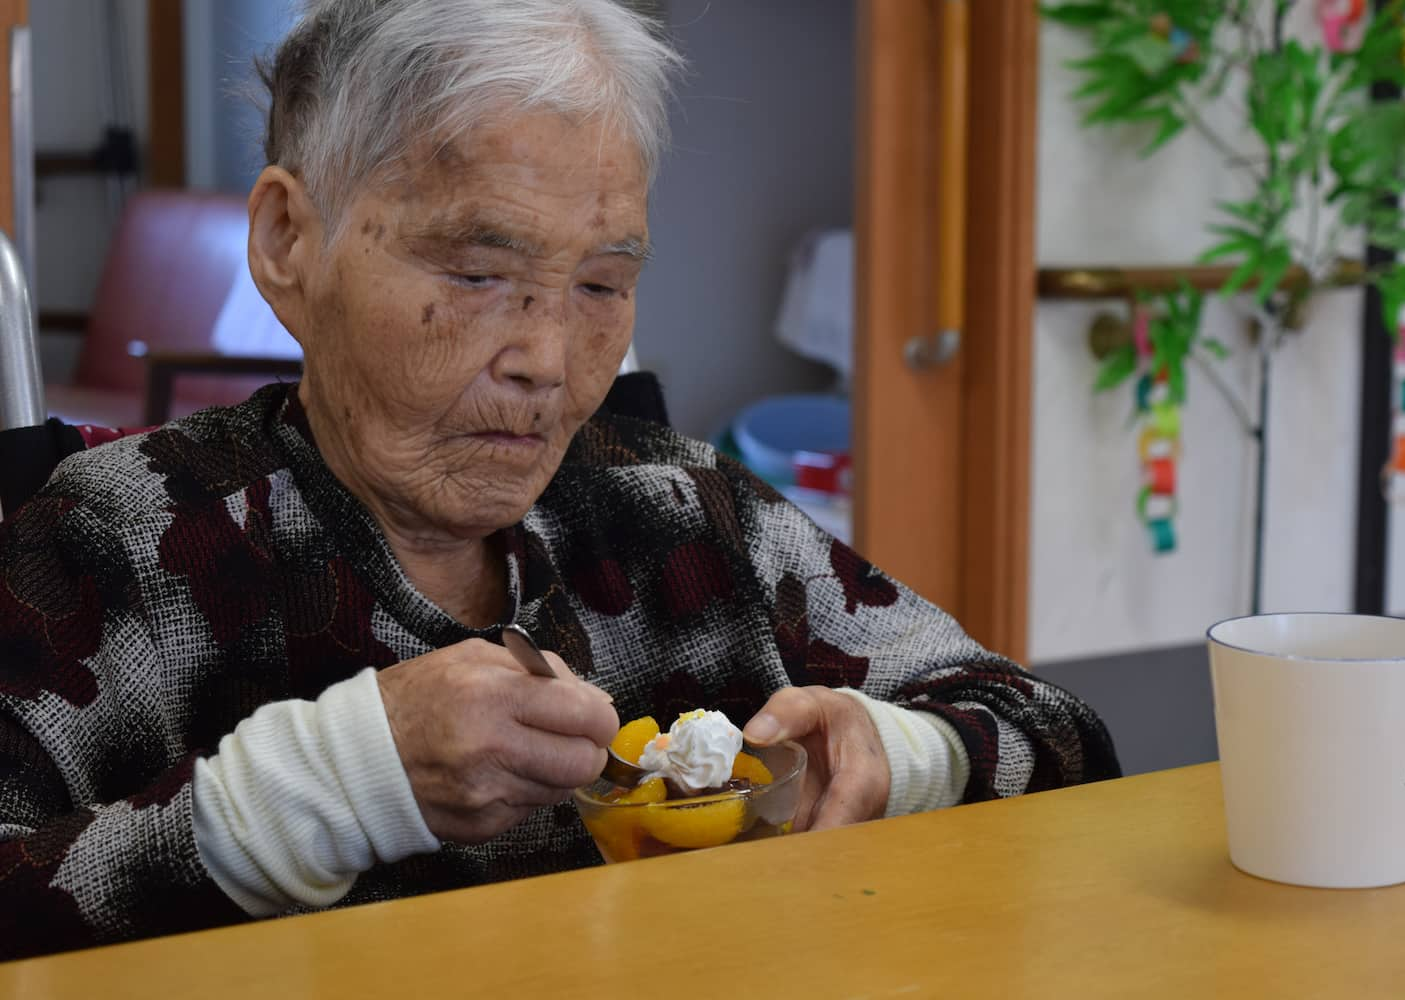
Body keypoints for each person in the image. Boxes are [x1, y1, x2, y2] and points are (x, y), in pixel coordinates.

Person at [0, 0, 1119, 962]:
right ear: (291, 238)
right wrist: (325, 783)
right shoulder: (122, 548)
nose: (546, 358)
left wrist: (897, 755)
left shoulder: (686, 517)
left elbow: (1058, 736)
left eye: (597, 284)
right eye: (481, 273)